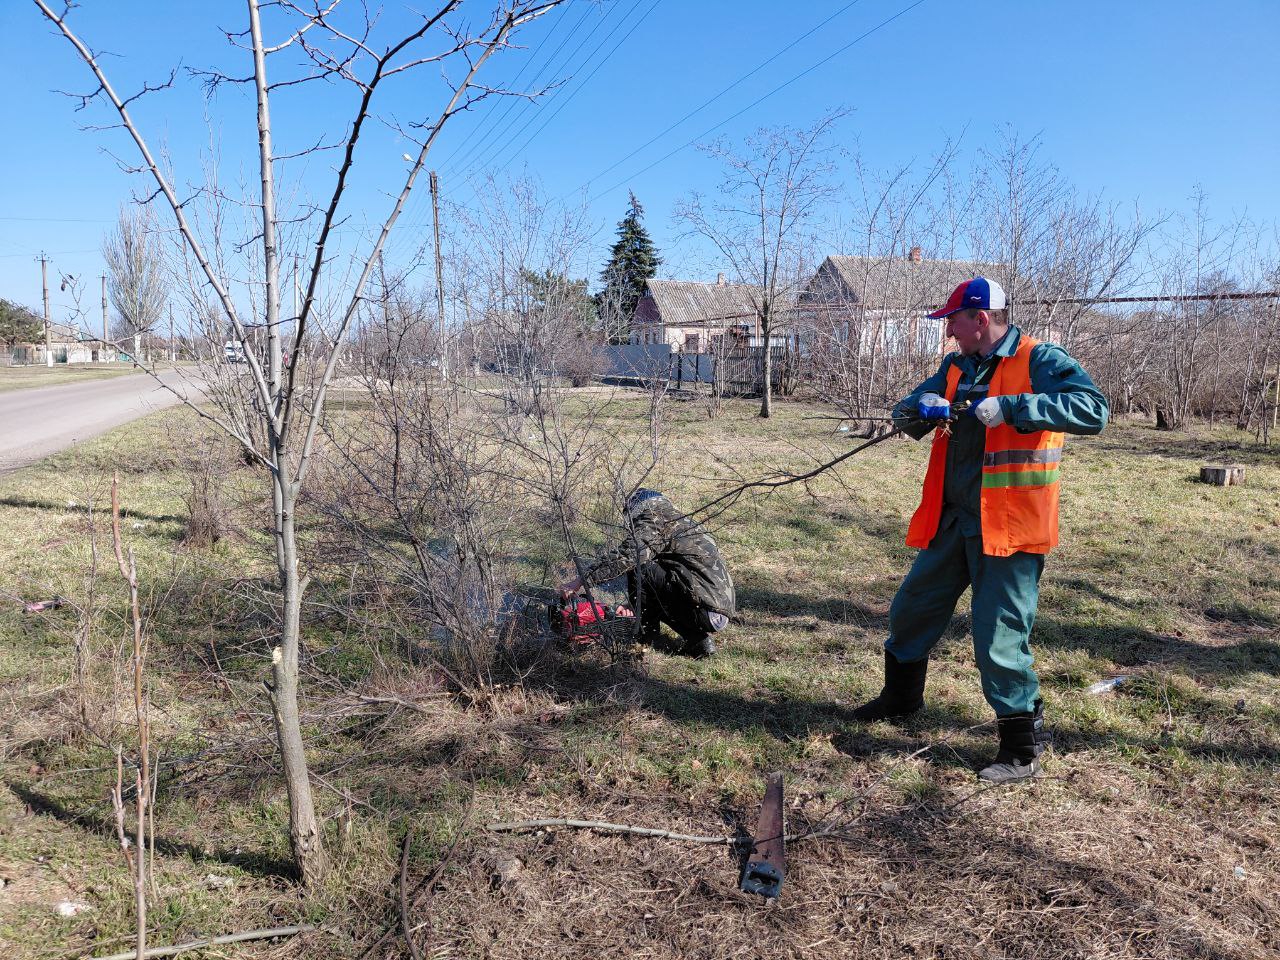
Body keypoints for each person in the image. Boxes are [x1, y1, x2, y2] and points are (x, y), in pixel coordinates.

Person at [851, 277, 1108, 784]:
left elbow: (1094, 411)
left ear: (980, 319)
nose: (947, 329)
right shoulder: (956, 365)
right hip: (952, 521)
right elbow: (911, 408)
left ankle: (1020, 750)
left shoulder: (1040, 359)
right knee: (910, 610)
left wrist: (1014, 408)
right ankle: (901, 699)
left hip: (1008, 528)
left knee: (998, 639)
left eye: (952, 319)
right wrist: (917, 412)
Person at [560, 488, 735, 658]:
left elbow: (630, 555)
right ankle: (698, 641)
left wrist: (582, 580)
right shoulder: (681, 520)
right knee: (652, 574)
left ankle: (644, 635)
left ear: (636, 509)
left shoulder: (654, 517)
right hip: (717, 614)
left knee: (640, 565)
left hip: (702, 607)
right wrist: (634, 605)